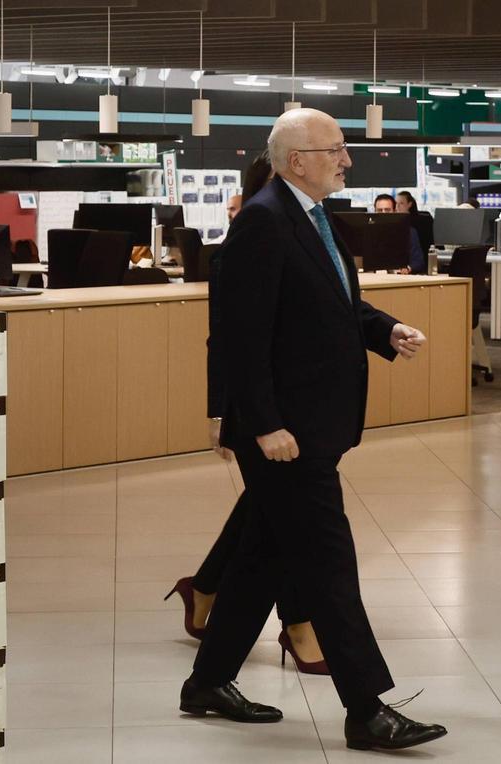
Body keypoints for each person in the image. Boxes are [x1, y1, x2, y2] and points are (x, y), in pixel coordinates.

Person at [179, 108, 447, 752]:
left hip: (314, 424)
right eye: (334, 150)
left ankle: (208, 681)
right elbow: (241, 340)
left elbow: (334, 304)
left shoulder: (311, 216)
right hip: (285, 432)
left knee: (263, 558)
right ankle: (367, 709)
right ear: (296, 159)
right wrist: (264, 424)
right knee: (328, 561)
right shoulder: (263, 224)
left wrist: (384, 330)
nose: (346, 160)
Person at [167, 148, 329, 676]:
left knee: (265, 514)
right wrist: (222, 410)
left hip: (300, 405)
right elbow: (230, 336)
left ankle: (207, 592)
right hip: (265, 409)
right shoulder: (258, 229)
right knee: (286, 518)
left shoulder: (310, 228)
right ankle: (299, 624)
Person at [373, 193, 425, 274]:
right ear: (374, 212)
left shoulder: (409, 232)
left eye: (387, 210)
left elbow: (418, 261)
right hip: (372, 278)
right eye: (380, 210)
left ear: (394, 211)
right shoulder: (366, 234)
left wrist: (407, 269)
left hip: (399, 277)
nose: (383, 213)